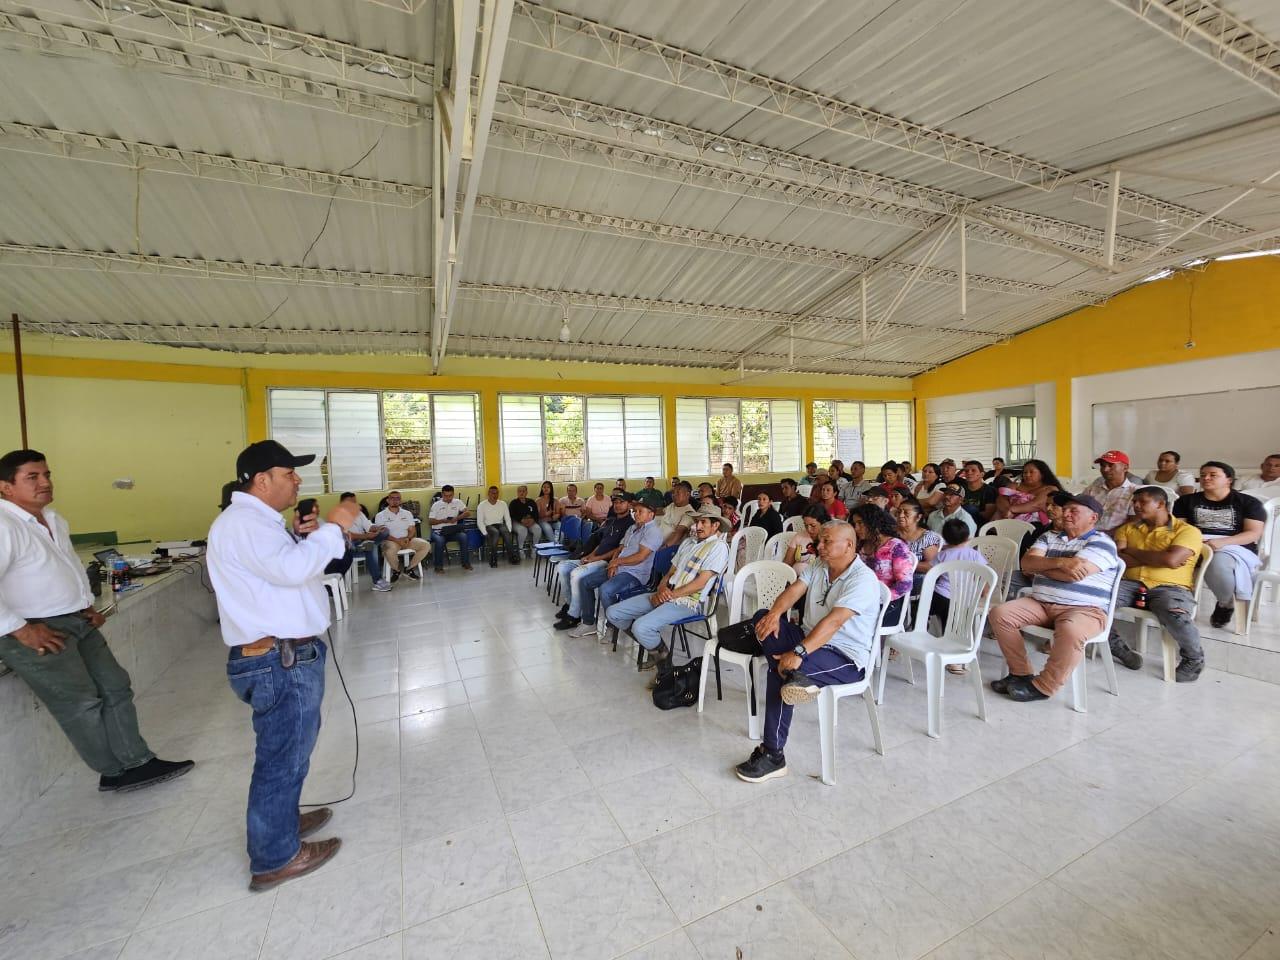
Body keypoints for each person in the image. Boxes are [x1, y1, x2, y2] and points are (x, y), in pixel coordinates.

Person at [208, 440, 360, 890]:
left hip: (282, 655)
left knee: (289, 752)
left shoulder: (257, 524)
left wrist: (307, 538)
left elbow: (289, 572)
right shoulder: (243, 524)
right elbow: (293, 572)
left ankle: (281, 823)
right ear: (261, 480)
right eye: (289, 473)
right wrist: (336, 525)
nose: (297, 480)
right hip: (279, 660)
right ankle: (276, 857)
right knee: (282, 758)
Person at [0, 448, 193, 796]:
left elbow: (68, 565)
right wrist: (21, 629)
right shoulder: (5, 525)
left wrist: (85, 603)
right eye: (32, 477)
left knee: (115, 686)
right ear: (5, 487)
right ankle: (114, 771)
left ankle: (137, 761)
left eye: (47, 474)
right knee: (81, 703)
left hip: (76, 619)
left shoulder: (53, 519)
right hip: (37, 628)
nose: (45, 482)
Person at [733, 520, 880, 783]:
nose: (819, 546)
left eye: (826, 541)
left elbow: (834, 622)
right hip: (809, 639)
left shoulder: (863, 579)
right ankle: (795, 678)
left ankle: (773, 754)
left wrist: (798, 652)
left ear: (849, 545)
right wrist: (775, 614)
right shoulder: (819, 565)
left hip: (844, 655)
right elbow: (794, 591)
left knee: (780, 669)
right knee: (762, 617)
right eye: (819, 541)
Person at [988, 492, 1121, 703]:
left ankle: (1044, 686)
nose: (1066, 514)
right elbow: (1026, 563)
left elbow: (1073, 575)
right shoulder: (1049, 537)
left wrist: (1043, 567)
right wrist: (1061, 563)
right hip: (1041, 604)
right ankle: (1020, 673)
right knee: (1000, 613)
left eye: (1073, 511)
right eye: (1065, 509)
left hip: (1085, 609)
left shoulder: (1101, 542)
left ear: (1093, 518)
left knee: (1071, 630)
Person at [604, 505, 730, 668]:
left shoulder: (718, 547)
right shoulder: (689, 543)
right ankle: (656, 649)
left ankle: (665, 667)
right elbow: (670, 572)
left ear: (716, 525)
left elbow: (701, 583)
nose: (697, 526)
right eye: (696, 521)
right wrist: (661, 589)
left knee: (640, 627)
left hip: (688, 602)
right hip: (668, 593)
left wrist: (668, 595)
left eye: (703, 522)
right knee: (613, 613)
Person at [1107, 486, 1206, 681]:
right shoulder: (1127, 528)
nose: (1135, 506)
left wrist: (1132, 552)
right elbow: (1118, 559)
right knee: (1092, 601)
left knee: (1175, 613)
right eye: (1134, 502)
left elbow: (1171, 560)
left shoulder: (1187, 531)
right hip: (1131, 583)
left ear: (1160, 504)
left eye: (1142, 502)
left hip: (1171, 587)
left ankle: (1194, 659)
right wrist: (1160, 557)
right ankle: (1118, 647)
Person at [1173, 461, 1266, 629]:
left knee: (1216, 563)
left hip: (1234, 545)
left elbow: (1253, 533)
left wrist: (1222, 542)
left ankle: (1225, 603)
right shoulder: (1185, 501)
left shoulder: (1248, 502)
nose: (1206, 478)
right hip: (1196, 543)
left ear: (1229, 480)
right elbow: (1180, 528)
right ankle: (1174, 607)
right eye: (1203, 475)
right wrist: (1195, 543)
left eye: (1213, 475)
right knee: (1171, 559)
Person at [572, 498, 666, 639]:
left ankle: (612, 626)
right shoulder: (632, 528)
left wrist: (616, 562)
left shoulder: (653, 532)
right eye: (635, 511)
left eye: (640, 511)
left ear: (651, 514)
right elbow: (620, 548)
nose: (636, 514)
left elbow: (640, 557)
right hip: (619, 567)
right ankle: (588, 622)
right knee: (584, 582)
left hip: (634, 574)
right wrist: (613, 562)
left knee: (606, 589)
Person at [553, 492, 635, 631]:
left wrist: (595, 558)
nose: (618, 505)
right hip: (595, 558)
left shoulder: (630, 525)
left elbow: (618, 550)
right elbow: (601, 543)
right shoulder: (611, 520)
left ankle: (574, 616)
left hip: (606, 562)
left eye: (622, 502)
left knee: (577, 574)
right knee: (562, 567)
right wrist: (589, 556)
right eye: (615, 502)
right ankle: (571, 605)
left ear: (629, 505)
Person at [929, 518, 989, 674]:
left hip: (942, 596)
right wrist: (985, 593)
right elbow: (984, 575)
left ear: (945, 538)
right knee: (956, 628)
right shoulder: (974, 554)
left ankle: (924, 632)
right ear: (968, 537)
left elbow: (933, 574)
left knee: (941, 620)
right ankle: (956, 662)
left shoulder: (942, 555)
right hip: (966, 599)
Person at [850, 504, 913, 626]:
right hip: (862, 598)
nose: (856, 528)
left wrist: (877, 599)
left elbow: (905, 584)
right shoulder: (861, 545)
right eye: (855, 524)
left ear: (873, 522)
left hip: (887, 604)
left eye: (860, 523)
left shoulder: (896, 547)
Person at [375, 490, 430, 580]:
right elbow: (383, 533)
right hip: (390, 541)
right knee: (389, 551)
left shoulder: (407, 513)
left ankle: (409, 569)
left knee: (425, 545)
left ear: (400, 501)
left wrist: (408, 538)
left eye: (397, 498)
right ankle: (396, 570)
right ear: (388, 500)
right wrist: (397, 540)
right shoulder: (380, 515)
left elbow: (412, 529)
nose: (395, 500)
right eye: (392, 498)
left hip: (406, 540)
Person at [1081, 450, 1138, 534]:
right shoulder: (1091, 490)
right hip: (1086, 534)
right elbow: (1079, 512)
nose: (1105, 469)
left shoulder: (1134, 492)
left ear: (1125, 468)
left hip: (1117, 536)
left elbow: (1134, 521)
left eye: (1111, 465)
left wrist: (1106, 535)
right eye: (1102, 465)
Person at [343, 492, 390, 592]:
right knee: (370, 547)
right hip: (350, 546)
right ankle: (377, 581)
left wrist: (378, 528)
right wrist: (366, 536)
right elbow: (347, 535)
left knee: (385, 531)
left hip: (363, 541)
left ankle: (369, 544)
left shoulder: (359, 513)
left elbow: (369, 526)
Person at [994, 458, 1062, 525]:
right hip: (1006, 518)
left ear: (1042, 474)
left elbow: (1036, 504)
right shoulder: (1015, 485)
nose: (1027, 475)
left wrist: (1011, 510)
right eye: (1025, 472)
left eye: (1031, 472)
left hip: (1036, 525)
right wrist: (1006, 510)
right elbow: (1001, 498)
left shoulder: (1050, 488)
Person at [426, 485, 471, 573]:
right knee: (440, 541)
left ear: (453, 494)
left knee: (463, 537)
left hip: (452, 531)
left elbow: (467, 513)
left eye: (450, 495)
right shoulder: (436, 505)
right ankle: (438, 567)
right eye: (446, 496)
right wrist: (443, 520)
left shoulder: (458, 502)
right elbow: (430, 522)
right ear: (442, 495)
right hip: (438, 531)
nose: (448, 498)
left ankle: (466, 563)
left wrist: (456, 518)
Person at [895, 499, 941, 583]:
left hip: (915, 579)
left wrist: (901, 563)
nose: (901, 515)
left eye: (906, 513)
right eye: (899, 512)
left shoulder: (927, 537)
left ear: (918, 517)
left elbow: (931, 566)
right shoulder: (891, 532)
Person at [477, 486, 518, 567]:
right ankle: (493, 558)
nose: (495, 495)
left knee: (506, 532)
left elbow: (507, 518)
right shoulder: (482, 505)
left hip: (500, 524)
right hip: (488, 526)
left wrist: (509, 530)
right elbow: (480, 521)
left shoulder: (503, 504)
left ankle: (512, 557)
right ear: (488, 494)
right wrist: (484, 533)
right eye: (493, 493)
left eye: (496, 493)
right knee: (495, 533)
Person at [784, 505, 830, 575]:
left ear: (823, 523)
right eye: (806, 525)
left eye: (813, 525)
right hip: (797, 577)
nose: (809, 529)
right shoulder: (799, 537)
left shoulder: (830, 539)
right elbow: (787, 563)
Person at [508, 484, 542, 556]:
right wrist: (521, 520)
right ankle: (520, 549)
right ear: (517, 492)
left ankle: (534, 548)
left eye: (523, 491)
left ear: (526, 492)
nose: (521, 493)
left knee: (538, 529)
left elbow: (536, 514)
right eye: (519, 491)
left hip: (531, 522)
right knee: (523, 530)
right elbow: (511, 515)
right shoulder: (513, 503)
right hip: (517, 522)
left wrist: (533, 520)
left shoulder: (531, 502)